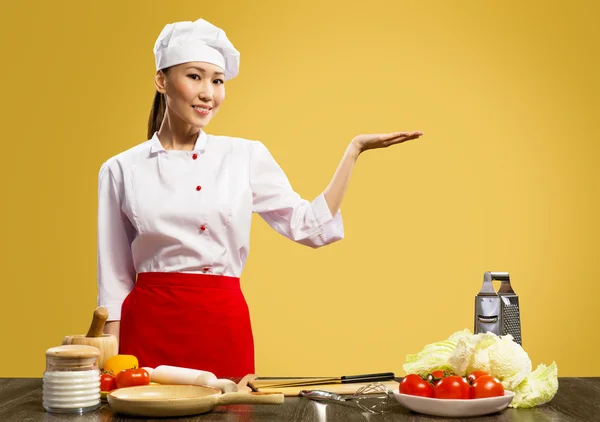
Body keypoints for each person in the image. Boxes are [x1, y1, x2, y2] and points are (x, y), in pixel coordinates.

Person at [98, 18, 423, 378]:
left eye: (217, 80)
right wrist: (111, 364)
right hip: (147, 328)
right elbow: (114, 280)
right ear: (162, 80)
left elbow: (309, 227)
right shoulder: (120, 169)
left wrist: (354, 151)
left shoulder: (244, 156)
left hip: (222, 325)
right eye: (195, 76)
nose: (209, 93)